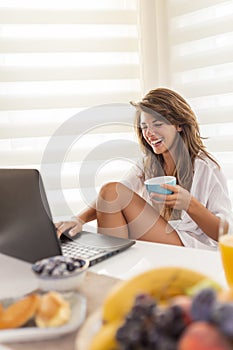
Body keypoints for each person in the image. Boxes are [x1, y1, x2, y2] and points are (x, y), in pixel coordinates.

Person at [56, 87, 232, 250]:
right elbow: (109, 197)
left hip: (190, 244)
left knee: (112, 191)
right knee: (110, 191)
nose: (149, 133)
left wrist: (190, 204)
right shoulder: (148, 163)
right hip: (159, 235)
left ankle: (115, 269)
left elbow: (225, 234)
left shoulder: (205, 168)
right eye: (144, 127)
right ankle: (115, 269)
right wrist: (78, 220)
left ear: (179, 125)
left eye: (157, 124)